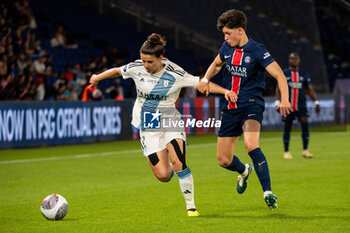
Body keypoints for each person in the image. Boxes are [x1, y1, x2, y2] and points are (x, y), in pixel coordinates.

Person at [89, 33, 236, 216]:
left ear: (160, 58)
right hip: (148, 123)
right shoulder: (137, 67)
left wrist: (225, 91)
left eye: (149, 61)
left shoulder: (175, 72)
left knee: (179, 162)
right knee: (163, 175)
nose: (146, 65)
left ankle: (191, 207)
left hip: (169, 119)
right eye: (143, 61)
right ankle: (171, 169)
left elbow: (200, 83)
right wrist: (97, 77)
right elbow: (118, 71)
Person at [197, 9, 292, 210]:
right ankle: (244, 170)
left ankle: (268, 193)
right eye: (224, 34)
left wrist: (285, 99)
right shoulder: (226, 47)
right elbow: (216, 65)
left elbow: (280, 76)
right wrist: (206, 79)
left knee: (251, 144)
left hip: (251, 104)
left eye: (228, 33)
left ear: (240, 30)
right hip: (230, 108)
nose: (225, 37)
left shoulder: (257, 50)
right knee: (223, 160)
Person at [276, 52, 320, 159]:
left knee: (305, 125)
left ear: (299, 60)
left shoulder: (304, 74)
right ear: (289, 60)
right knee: (287, 127)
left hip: (301, 105)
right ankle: (286, 152)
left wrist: (316, 102)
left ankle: (305, 150)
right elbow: (278, 89)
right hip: (288, 106)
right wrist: (277, 102)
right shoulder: (285, 73)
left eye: (296, 58)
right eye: (291, 58)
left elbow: (309, 89)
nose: (294, 60)